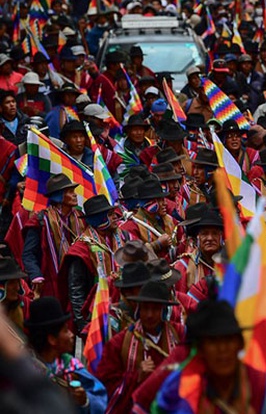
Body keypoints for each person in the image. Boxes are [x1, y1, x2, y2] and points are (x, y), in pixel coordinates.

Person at [151, 299, 266, 412]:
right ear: (200, 349)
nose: (222, 349)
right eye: (213, 341)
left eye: (228, 339)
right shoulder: (179, 391)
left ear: (240, 344)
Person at [96, 281, 184, 413]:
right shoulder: (118, 344)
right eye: (145, 308)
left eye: (155, 309)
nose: (149, 315)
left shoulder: (180, 335)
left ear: (163, 311)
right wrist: (136, 376)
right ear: (138, 310)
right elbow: (106, 386)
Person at [58, 195, 134, 334]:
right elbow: (76, 291)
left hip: (125, 310)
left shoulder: (124, 237)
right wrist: (83, 324)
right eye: (110, 215)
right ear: (99, 219)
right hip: (95, 314)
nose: (115, 217)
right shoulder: (81, 249)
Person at [25, 297, 108, 413]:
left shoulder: (72, 368)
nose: (71, 335)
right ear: (52, 339)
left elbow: (100, 400)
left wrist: (84, 402)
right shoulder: (25, 374)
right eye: (65, 331)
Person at [22, 174, 85, 299]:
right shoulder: (41, 221)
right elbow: (28, 254)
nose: (75, 195)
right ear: (59, 196)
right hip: (51, 281)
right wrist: (36, 275)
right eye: (70, 191)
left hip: (79, 281)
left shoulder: (80, 218)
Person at [172, 207, 223, 294]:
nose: (210, 238)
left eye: (214, 233)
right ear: (198, 237)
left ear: (220, 236)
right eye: (205, 233)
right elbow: (180, 300)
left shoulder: (232, 264)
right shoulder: (183, 266)